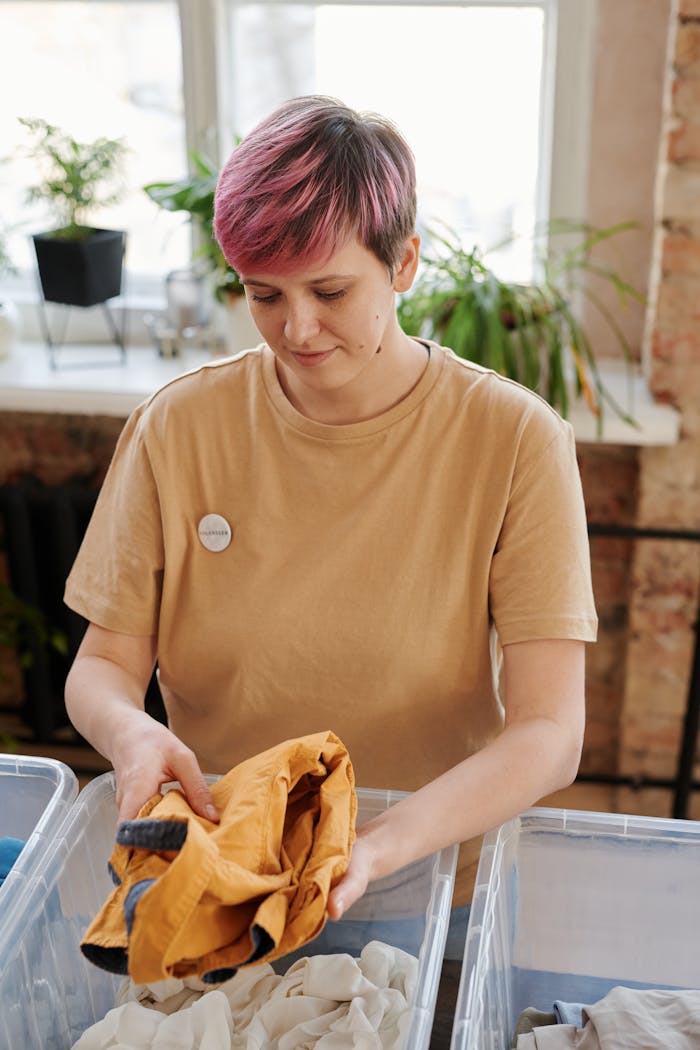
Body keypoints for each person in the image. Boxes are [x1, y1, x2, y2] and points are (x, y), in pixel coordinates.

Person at [64, 95, 597, 943]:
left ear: (406, 263)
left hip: (428, 887)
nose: (297, 328)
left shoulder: (515, 439)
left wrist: (379, 849)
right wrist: (132, 737)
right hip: (220, 877)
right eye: (264, 293)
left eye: (332, 289)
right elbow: (102, 664)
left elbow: (549, 731)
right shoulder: (178, 427)